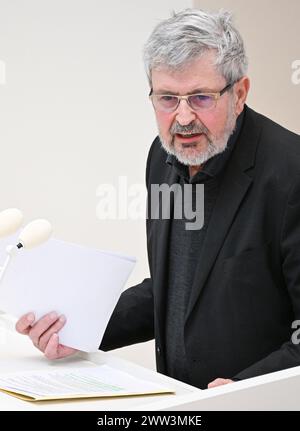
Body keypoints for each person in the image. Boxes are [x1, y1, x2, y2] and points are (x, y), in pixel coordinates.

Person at [16, 8, 300, 390]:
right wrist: (79, 329)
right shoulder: (164, 157)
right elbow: (172, 288)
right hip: (177, 403)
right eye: (167, 98)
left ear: (240, 93)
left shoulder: (291, 172)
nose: (182, 119)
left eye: (200, 98)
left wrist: (242, 389)